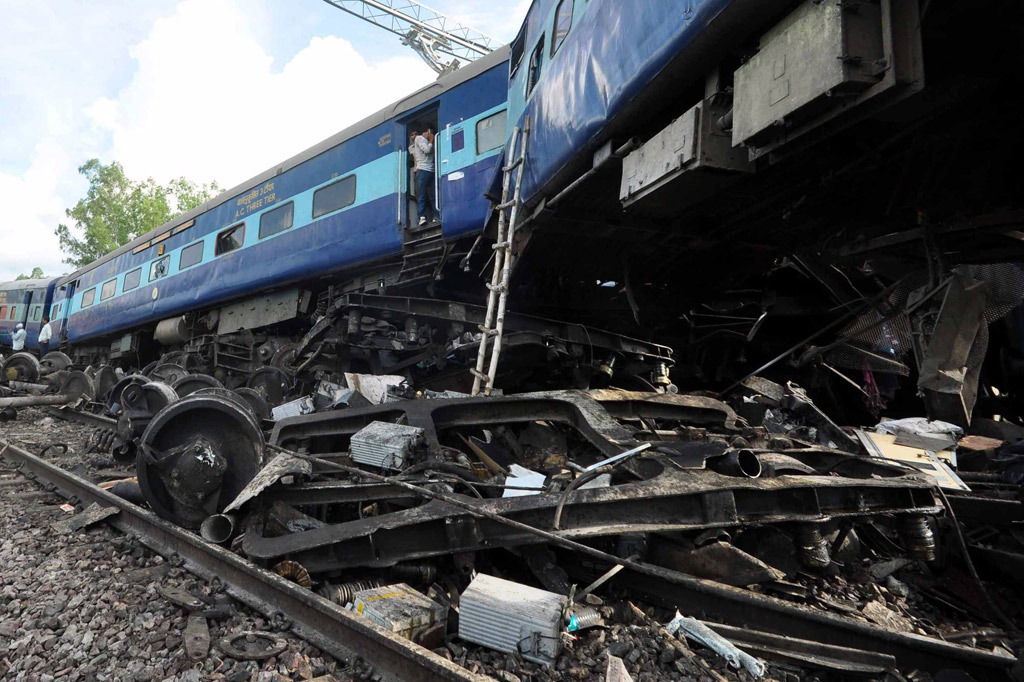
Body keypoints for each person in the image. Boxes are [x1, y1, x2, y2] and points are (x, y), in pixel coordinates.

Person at [410, 127, 436, 226]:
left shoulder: (422, 140)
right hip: (424, 169)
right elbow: (427, 150)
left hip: (428, 169)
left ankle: (434, 216)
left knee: (430, 194)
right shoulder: (419, 138)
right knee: (423, 194)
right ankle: (422, 217)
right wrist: (431, 141)